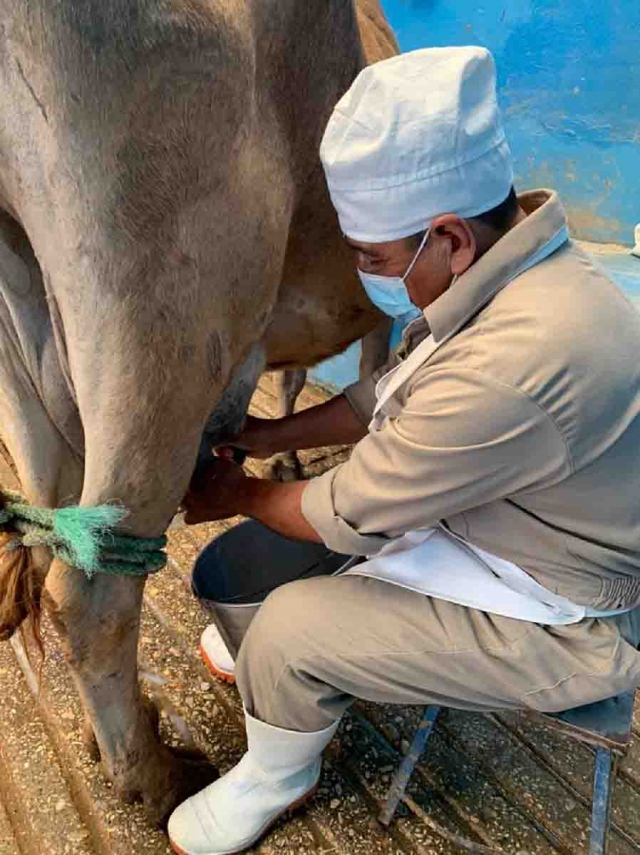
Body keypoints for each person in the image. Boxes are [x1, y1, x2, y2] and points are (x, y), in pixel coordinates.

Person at [168, 46, 640, 855]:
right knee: (299, 562)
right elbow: (388, 394)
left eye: (377, 261)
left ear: (448, 235)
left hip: (572, 608)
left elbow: (347, 509)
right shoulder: (512, 269)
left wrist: (232, 495)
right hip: (518, 518)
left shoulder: (517, 361)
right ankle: (290, 677)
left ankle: (280, 772)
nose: (372, 278)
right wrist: (268, 436)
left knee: (286, 624)